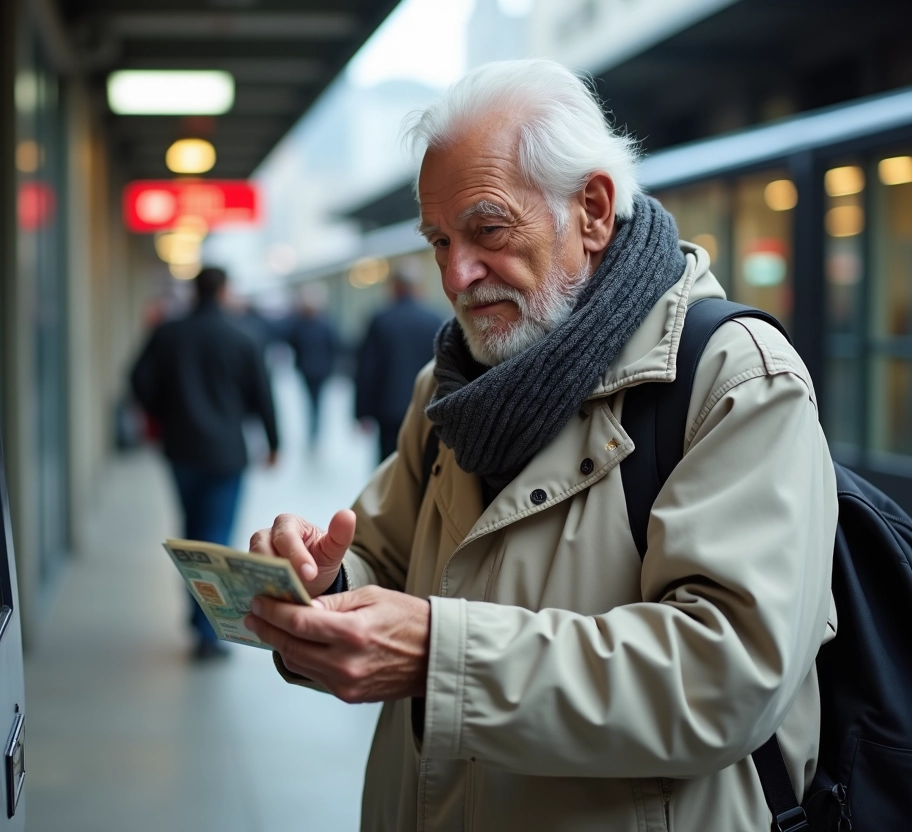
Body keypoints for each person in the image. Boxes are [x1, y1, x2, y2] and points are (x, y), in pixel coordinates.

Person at [244, 60, 835, 831]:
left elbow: (726, 675)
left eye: (488, 229)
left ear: (591, 210)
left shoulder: (733, 378)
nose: (458, 274)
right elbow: (382, 555)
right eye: (439, 241)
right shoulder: (448, 388)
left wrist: (439, 657)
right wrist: (323, 582)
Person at [130, 266, 279, 659]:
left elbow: (137, 380)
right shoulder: (244, 336)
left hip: (181, 448)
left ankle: (200, 623)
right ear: (225, 291)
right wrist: (274, 441)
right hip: (227, 453)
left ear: (195, 291)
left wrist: (164, 415)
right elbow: (263, 395)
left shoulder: (168, 333)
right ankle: (208, 630)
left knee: (194, 532)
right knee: (214, 539)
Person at [354, 269, 445, 461]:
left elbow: (367, 369)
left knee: (388, 465)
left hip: (388, 409)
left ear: (394, 287)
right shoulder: (434, 320)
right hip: (426, 409)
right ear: (418, 288)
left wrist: (362, 411)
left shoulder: (381, 320)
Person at [284, 284, 341, 448]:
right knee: (312, 402)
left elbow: (333, 346)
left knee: (316, 402)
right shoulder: (303, 323)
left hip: (318, 370)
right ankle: (314, 431)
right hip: (309, 370)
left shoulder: (322, 323)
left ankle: (315, 431)